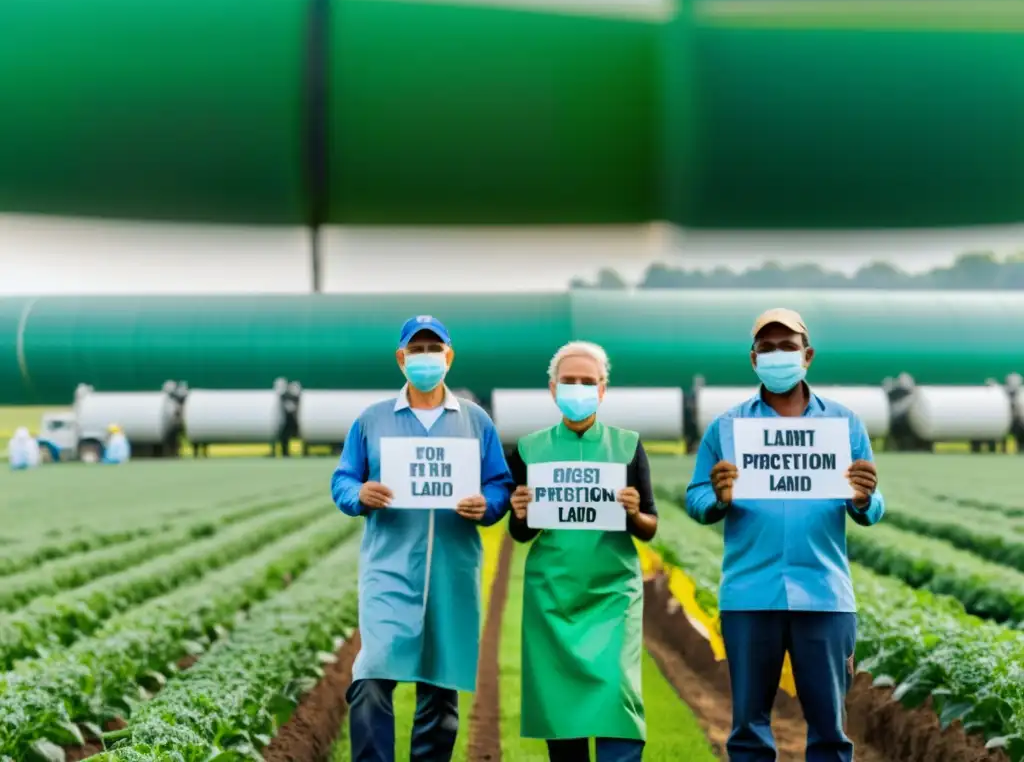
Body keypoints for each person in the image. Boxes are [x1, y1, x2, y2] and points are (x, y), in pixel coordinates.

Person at [686, 308, 884, 762]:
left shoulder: (844, 424)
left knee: (829, 730)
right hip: (750, 594)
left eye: (787, 347)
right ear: (754, 360)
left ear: (807, 355)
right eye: (767, 349)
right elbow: (696, 500)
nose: (778, 356)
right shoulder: (727, 427)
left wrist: (863, 499)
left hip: (825, 595)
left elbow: (872, 506)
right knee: (748, 730)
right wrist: (717, 496)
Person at [330, 315, 514, 762]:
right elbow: (343, 480)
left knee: (440, 689)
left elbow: (499, 484)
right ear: (401, 358)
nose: (426, 358)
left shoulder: (475, 421)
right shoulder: (372, 421)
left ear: (449, 357)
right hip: (390, 568)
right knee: (371, 678)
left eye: (434, 349)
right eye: (417, 350)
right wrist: (360, 494)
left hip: (453, 571)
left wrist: (486, 505)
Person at [507, 341, 657, 762]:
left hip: (612, 598)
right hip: (552, 598)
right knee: (560, 709)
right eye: (569, 381)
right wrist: (519, 513)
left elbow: (649, 526)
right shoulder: (528, 449)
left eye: (588, 382)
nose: (578, 389)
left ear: (603, 389)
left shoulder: (627, 446)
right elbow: (520, 532)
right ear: (552, 389)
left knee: (619, 704)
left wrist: (631, 512)